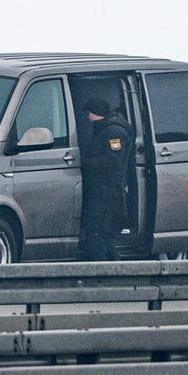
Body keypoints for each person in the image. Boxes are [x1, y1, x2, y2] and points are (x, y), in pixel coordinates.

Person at [80, 97, 134, 261]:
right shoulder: (105, 129)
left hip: (108, 192)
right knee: (102, 236)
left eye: (89, 113)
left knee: (99, 233)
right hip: (104, 190)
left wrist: (86, 163)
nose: (88, 117)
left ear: (96, 113)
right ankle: (114, 269)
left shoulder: (113, 132)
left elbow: (114, 161)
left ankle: (106, 269)